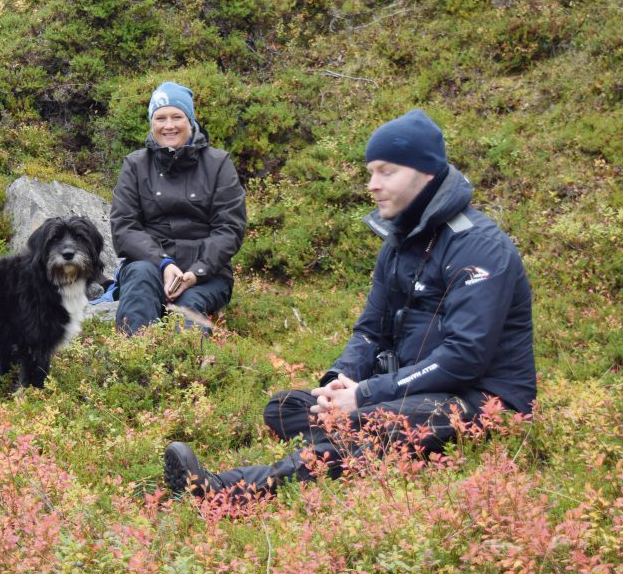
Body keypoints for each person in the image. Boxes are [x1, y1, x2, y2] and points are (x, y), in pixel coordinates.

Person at [164, 109, 535, 497]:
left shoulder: (478, 247)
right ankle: (357, 441)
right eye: (370, 171)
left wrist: (365, 396)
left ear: (426, 173)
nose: (372, 185)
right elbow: (370, 330)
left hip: (483, 402)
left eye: (386, 171)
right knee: (287, 407)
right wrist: (336, 385)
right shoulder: (400, 242)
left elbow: (465, 355)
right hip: (415, 391)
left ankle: (225, 491)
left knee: (370, 420)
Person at [109, 82, 247, 335]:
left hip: (207, 274)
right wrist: (163, 264)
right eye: (160, 118)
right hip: (150, 266)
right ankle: (133, 363)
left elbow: (229, 229)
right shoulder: (135, 165)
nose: (169, 125)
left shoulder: (219, 164)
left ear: (190, 120)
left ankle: (186, 370)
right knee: (139, 281)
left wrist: (195, 273)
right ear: (152, 123)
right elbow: (124, 227)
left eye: (177, 116)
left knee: (189, 305)